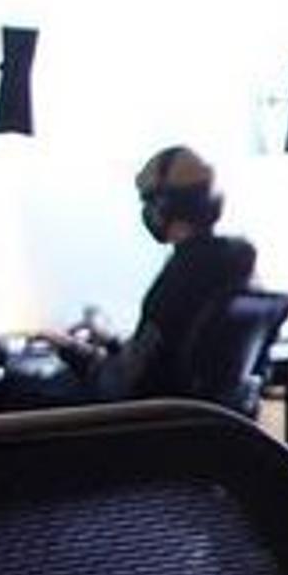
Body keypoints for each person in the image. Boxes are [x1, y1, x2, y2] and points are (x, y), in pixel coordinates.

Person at [52, 144, 257, 403]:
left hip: (149, 419)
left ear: (164, 206)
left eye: (148, 201)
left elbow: (130, 383)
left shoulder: (182, 275)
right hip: (203, 421)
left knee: (24, 387)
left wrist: (71, 350)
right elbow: (171, 353)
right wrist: (113, 342)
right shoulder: (235, 262)